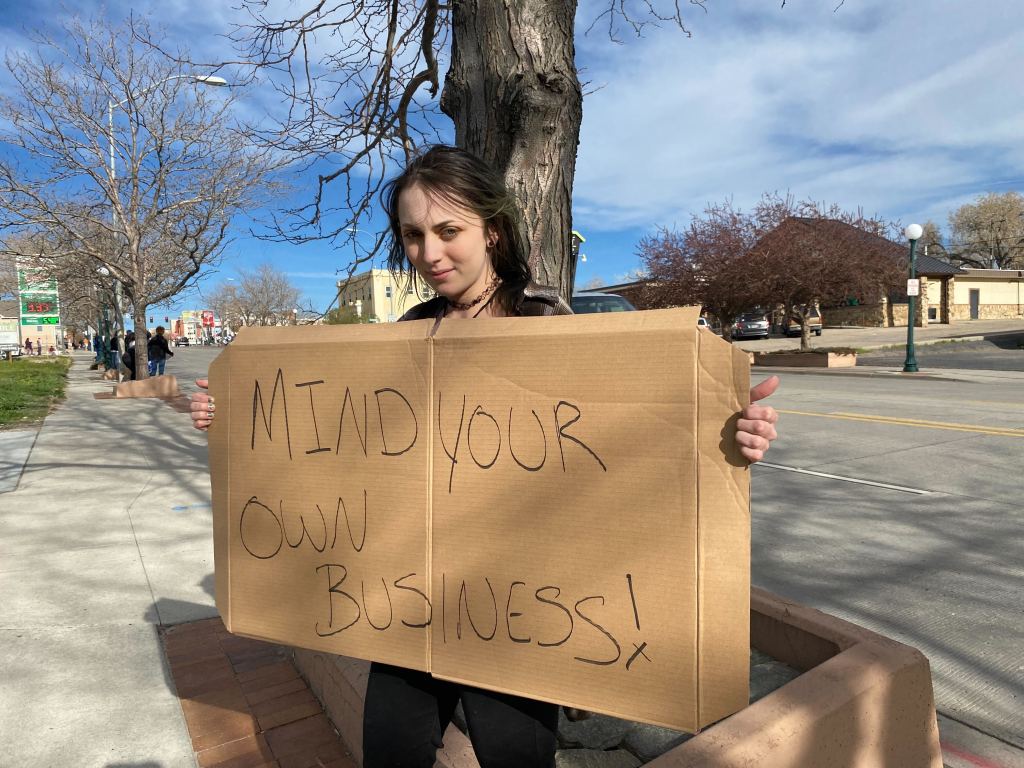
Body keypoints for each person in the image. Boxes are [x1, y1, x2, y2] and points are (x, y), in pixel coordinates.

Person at [189, 146, 780, 767]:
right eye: (413, 235)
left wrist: (728, 433)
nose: (430, 253)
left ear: (492, 229)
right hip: (410, 602)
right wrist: (228, 419)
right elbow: (335, 445)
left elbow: (629, 443)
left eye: (449, 231)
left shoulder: (548, 322)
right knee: (389, 752)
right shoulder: (408, 332)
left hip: (523, 610)